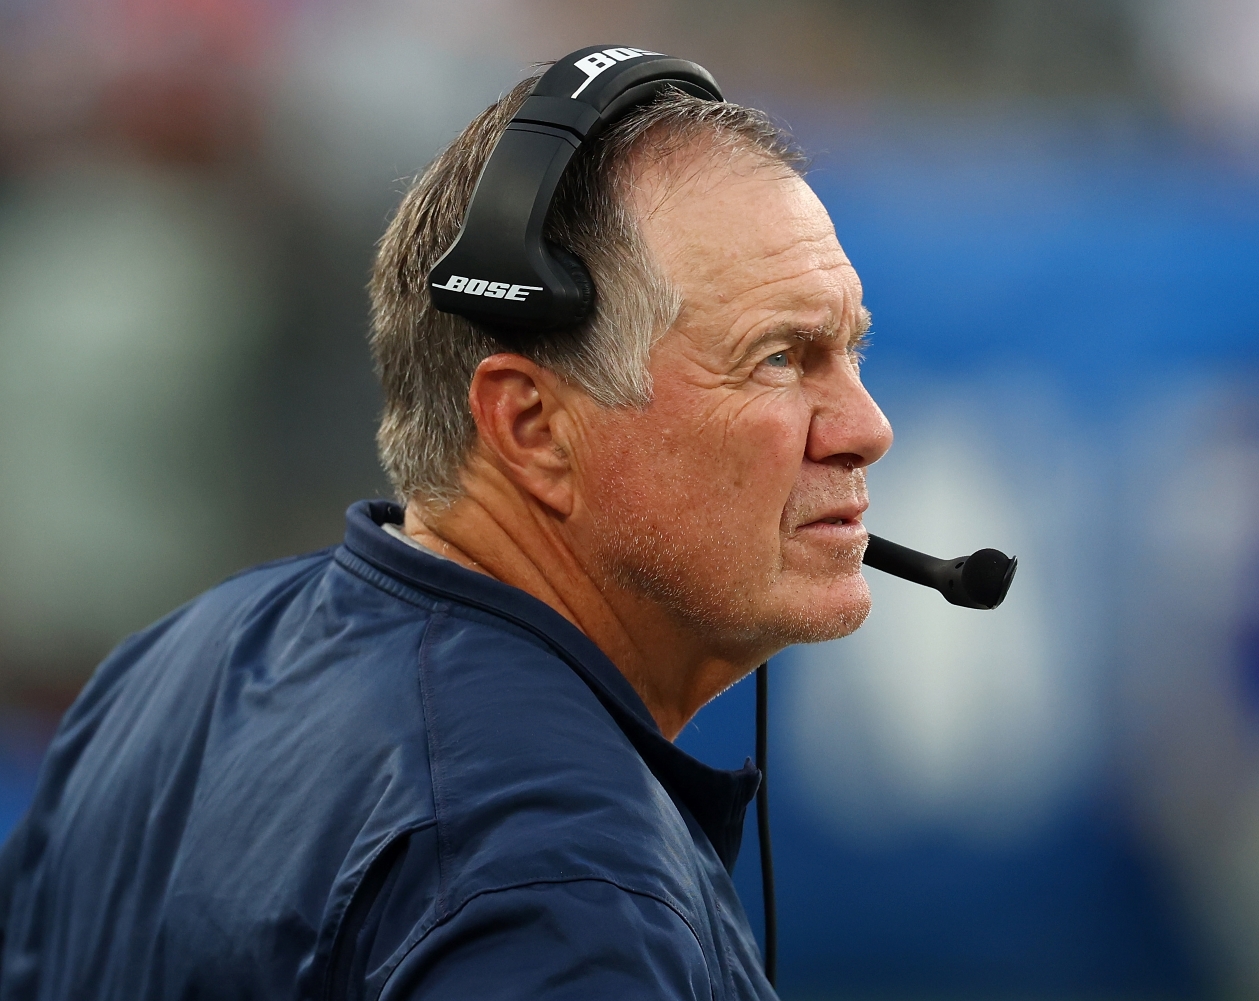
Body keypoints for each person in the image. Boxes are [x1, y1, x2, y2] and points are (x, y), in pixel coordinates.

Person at [0, 54, 891, 1000]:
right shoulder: (565, 889)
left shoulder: (173, 664)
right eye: (780, 359)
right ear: (534, 427)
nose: (865, 429)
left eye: (851, 350)